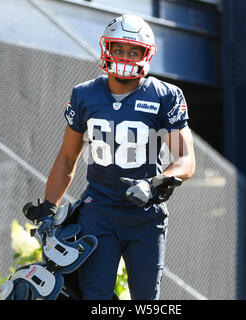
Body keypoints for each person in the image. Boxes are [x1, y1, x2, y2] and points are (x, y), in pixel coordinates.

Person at [31, 14, 195, 300]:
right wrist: (48, 209)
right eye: (118, 48)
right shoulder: (84, 95)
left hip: (145, 216)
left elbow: (185, 159)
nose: (125, 56)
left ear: (147, 54)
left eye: (133, 51)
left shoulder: (165, 95)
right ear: (106, 48)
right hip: (99, 213)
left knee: (146, 298)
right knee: (95, 295)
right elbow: (67, 159)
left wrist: (157, 183)